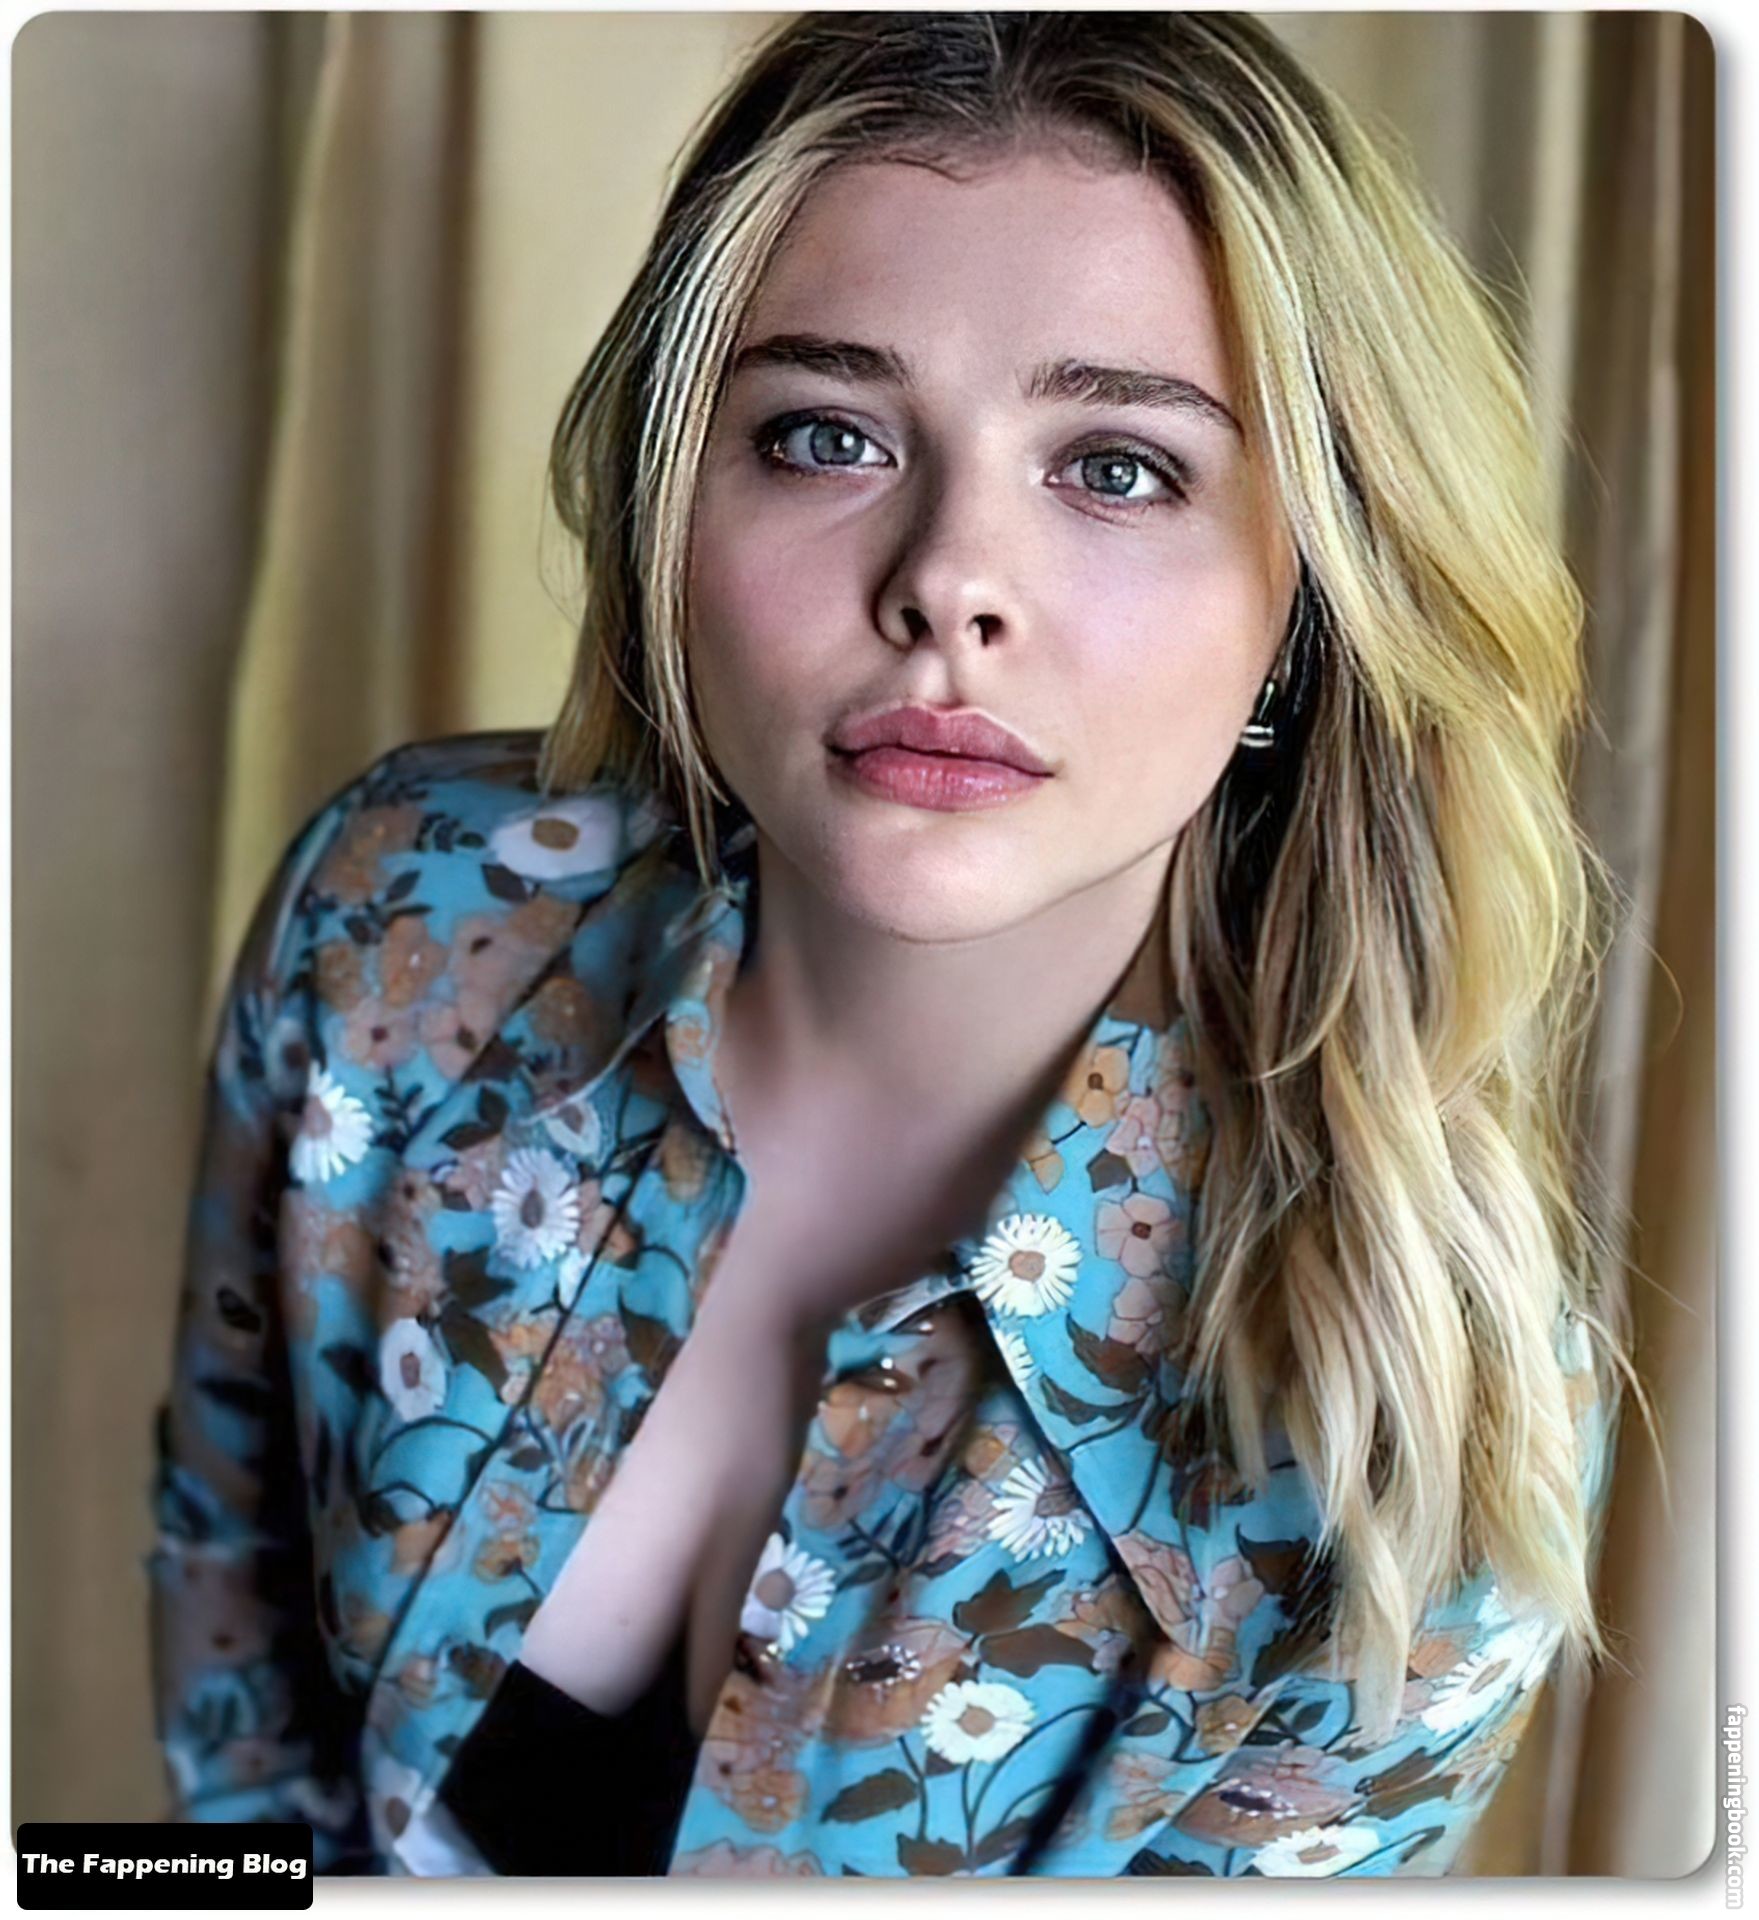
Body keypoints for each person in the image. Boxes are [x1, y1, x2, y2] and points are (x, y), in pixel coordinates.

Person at [147, 10, 1637, 1878]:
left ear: (1314, 604)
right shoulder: (408, 915)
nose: (947, 580)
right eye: (826, 435)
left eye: (1120, 467)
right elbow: (235, 1714)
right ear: (671, 506)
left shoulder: (1401, 1431)